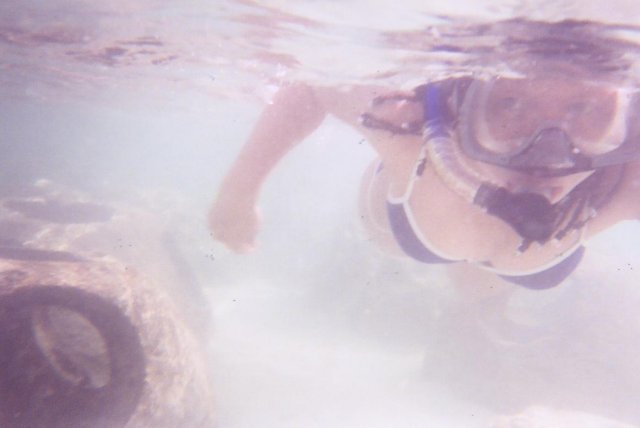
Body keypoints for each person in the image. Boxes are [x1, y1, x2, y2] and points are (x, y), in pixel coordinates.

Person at [209, 67, 640, 332]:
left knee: (480, 287)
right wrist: (238, 194)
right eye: (510, 104)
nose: (547, 155)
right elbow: (314, 88)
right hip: (408, 219)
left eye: (588, 110)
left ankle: (482, 302)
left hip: (510, 256)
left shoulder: (626, 178)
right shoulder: (411, 131)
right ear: (462, 107)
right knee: (442, 258)